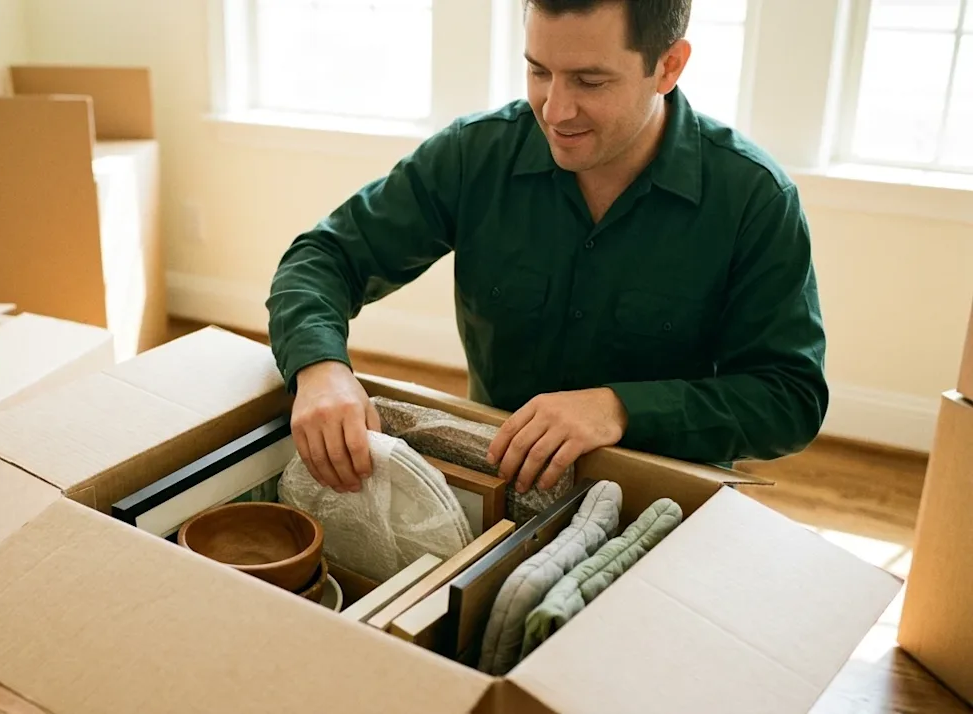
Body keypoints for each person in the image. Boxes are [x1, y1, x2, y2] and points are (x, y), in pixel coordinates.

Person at [265, 0, 828, 498]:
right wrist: (320, 368)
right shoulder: (474, 155)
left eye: (590, 81)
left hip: (664, 500)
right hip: (496, 480)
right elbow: (323, 258)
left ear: (669, 66)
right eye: (539, 71)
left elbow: (789, 398)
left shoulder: (753, 197)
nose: (555, 110)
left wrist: (619, 408)